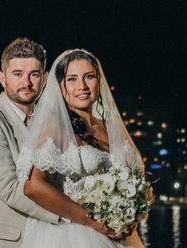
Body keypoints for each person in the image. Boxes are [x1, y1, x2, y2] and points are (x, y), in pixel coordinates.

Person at [16, 49, 146, 247]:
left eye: (89, 77)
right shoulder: (55, 126)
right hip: (74, 235)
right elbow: (32, 186)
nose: (82, 86)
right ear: (61, 86)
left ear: (99, 81)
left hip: (120, 234)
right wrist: (89, 219)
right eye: (72, 79)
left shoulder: (111, 127)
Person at [0, 38, 60, 247]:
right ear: (2, 77)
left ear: (44, 78)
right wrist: (70, 215)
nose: (26, 82)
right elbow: (9, 188)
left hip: (44, 239)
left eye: (33, 74)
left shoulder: (50, 124)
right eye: (17, 74)